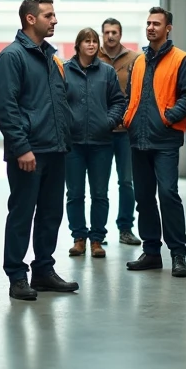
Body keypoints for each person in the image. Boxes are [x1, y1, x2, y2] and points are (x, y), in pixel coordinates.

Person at [0, 0, 78, 301]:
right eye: (49, 16)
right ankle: (16, 275)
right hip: (29, 152)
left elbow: (58, 103)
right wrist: (20, 147)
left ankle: (43, 270)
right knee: (22, 213)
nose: (54, 20)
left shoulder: (49, 58)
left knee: (51, 214)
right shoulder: (11, 57)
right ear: (31, 19)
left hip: (55, 149)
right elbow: (6, 108)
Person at [124, 7, 186, 277]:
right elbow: (130, 95)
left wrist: (169, 117)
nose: (151, 27)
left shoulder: (181, 59)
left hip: (165, 140)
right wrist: (127, 118)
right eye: (148, 23)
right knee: (143, 197)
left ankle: (178, 254)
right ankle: (152, 252)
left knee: (168, 195)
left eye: (156, 23)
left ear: (168, 28)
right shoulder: (139, 61)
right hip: (138, 139)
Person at [65, 28, 127, 258]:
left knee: (100, 193)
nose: (91, 45)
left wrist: (107, 122)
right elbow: (59, 103)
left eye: (94, 41)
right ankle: (78, 238)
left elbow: (118, 102)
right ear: (78, 44)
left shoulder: (107, 72)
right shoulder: (64, 70)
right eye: (86, 41)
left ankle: (97, 240)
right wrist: (67, 124)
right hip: (73, 144)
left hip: (102, 142)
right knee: (74, 193)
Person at [98, 19, 140, 246]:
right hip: (101, 132)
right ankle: (98, 233)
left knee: (126, 181)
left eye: (114, 32)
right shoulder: (95, 57)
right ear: (102, 34)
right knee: (99, 185)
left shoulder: (135, 59)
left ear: (120, 34)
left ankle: (126, 228)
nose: (110, 36)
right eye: (107, 32)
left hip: (125, 131)